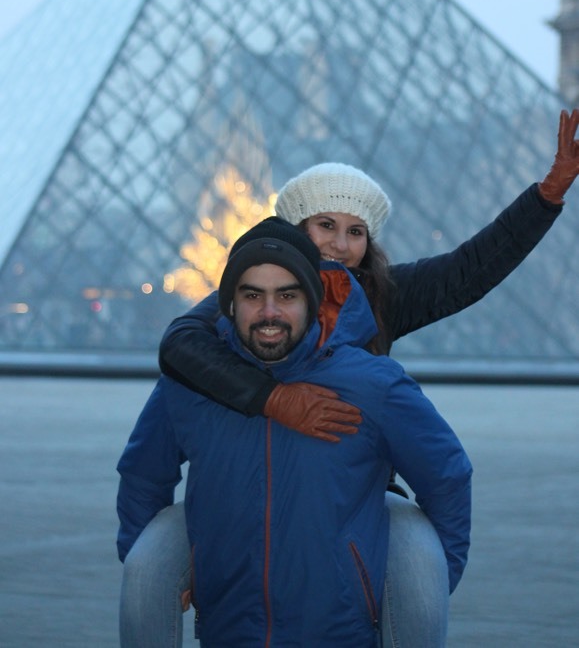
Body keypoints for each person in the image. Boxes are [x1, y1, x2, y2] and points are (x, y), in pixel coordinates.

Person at [120, 108, 579, 647]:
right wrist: (275, 399)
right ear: (291, 231)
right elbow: (179, 348)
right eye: (325, 226)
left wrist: (547, 195)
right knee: (150, 565)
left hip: (350, 500)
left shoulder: (378, 300)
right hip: (236, 497)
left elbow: (468, 271)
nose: (339, 244)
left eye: (354, 231)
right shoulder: (247, 306)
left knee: (414, 553)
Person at [117, 218, 473, 647]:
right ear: (229, 304)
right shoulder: (188, 387)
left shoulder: (372, 385)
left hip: (343, 633)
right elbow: (142, 475)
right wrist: (165, 573)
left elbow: (447, 476)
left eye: (287, 295)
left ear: (314, 301)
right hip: (226, 631)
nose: (270, 313)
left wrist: (431, 585)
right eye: (253, 295)